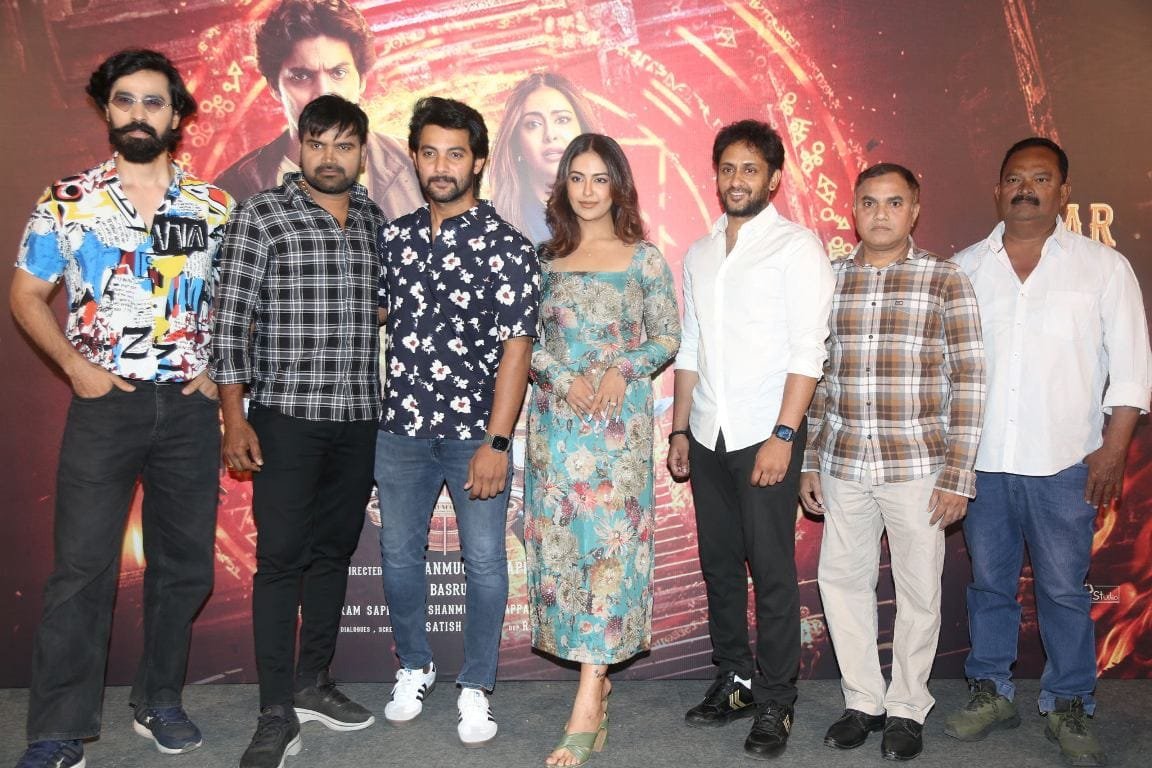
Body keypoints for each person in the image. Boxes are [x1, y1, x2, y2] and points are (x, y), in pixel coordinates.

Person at [9, 49, 232, 768]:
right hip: (106, 407)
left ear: (177, 115)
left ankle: (158, 700)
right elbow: (25, 295)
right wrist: (75, 368)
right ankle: (58, 730)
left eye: (154, 102)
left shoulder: (215, 207)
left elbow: (242, 301)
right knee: (80, 568)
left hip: (190, 411)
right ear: (107, 109)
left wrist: (219, 373)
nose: (140, 114)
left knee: (184, 566)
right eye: (126, 100)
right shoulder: (67, 200)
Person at [943, 137, 1151, 767]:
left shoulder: (1102, 268)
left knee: (1063, 590)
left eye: (1040, 178)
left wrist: (1112, 451)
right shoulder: (963, 269)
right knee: (989, 586)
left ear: (1064, 191)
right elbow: (942, 370)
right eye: (1014, 178)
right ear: (997, 190)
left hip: (1065, 463)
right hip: (983, 465)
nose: (1025, 189)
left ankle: (1069, 702)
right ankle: (991, 690)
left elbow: (1132, 370)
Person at [211, 94, 386, 768]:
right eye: (318, 143)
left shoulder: (373, 220)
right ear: (299, 146)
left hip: (358, 418)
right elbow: (230, 321)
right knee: (282, 559)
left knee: (333, 553)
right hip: (284, 417)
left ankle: (313, 682)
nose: (330, 157)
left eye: (344, 145)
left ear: (361, 152)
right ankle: (274, 711)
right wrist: (234, 417)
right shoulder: (261, 215)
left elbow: (383, 309)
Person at [798, 163, 986, 761]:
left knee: (919, 591)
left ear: (915, 210)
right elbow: (816, 376)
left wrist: (958, 473)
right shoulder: (829, 280)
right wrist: (809, 459)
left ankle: (907, 706)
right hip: (843, 462)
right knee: (842, 584)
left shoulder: (944, 279)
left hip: (919, 466)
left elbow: (970, 379)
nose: (881, 213)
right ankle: (863, 700)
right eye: (870, 202)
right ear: (853, 209)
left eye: (894, 202)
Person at [667, 119, 834, 760]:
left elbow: (808, 351)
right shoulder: (700, 253)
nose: (737, 180)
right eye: (728, 168)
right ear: (716, 175)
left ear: (774, 178)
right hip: (708, 433)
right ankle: (734, 680)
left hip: (767, 433)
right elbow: (691, 346)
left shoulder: (797, 249)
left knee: (771, 571)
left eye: (750, 169)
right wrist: (680, 428)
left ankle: (776, 699)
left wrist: (784, 435)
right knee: (719, 567)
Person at [375, 96, 540, 747]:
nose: (441, 165)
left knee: (486, 562)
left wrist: (497, 442)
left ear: (477, 162)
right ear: (415, 159)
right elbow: (368, 318)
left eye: (455, 153)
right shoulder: (394, 240)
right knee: (397, 556)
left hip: (475, 432)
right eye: (429, 152)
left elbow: (517, 352)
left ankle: (476, 686)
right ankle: (414, 665)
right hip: (400, 431)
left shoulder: (509, 248)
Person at [526, 133, 681, 767]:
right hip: (557, 432)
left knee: (611, 556)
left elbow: (667, 335)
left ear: (618, 186)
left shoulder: (644, 260)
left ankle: (590, 698)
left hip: (618, 435)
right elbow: (521, 344)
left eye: (599, 178)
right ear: (562, 186)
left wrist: (624, 367)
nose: (588, 191)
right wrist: (561, 376)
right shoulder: (541, 261)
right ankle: (596, 681)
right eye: (577, 177)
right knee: (565, 551)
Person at [214, 0, 422, 216]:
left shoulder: (420, 168)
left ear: (361, 81)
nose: (324, 93)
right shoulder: (232, 192)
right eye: (301, 76)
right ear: (275, 88)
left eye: (338, 73)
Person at [488, 72, 599, 243]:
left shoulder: (616, 215)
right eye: (533, 124)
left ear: (584, 132)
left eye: (562, 120)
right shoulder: (492, 229)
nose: (550, 134)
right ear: (517, 143)